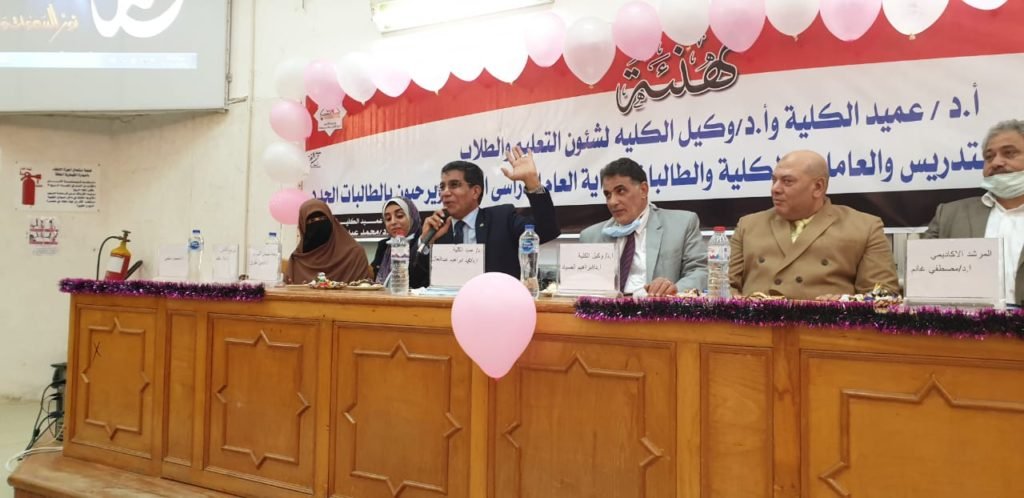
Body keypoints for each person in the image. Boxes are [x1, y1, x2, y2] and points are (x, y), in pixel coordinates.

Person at [729, 150, 899, 300]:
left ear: (818, 187)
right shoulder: (748, 225)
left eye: (787, 181)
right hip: (752, 323)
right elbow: (722, 284)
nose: (775, 189)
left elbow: (883, 294)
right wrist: (734, 305)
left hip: (827, 325)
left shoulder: (864, 227)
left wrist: (846, 303)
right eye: (774, 180)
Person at [922, 119, 1024, 306]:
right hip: (965, 322)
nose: (996, 162)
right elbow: (920, 281)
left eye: (1009, 153)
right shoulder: (949, 215)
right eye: (989, 157)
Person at [422, 146, 561, 278]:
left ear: (475, 192)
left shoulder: (502, 218)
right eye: (442, 187)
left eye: (454, 185)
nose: (445, 193)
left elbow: (547, 230)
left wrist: (533, 184)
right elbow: (417, 281)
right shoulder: (437, 229)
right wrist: (426, 242)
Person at [579, 157, 707, 297]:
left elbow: (701, 271)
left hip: (658, 308)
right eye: (608, 195)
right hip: (606, 309)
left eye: (620, 191)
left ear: (643, 190)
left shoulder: (682, 224)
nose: (612, 202)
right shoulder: (591, 237)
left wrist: (672, 290)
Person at [286, 198, 371, 284]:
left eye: (322, 218)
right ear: (303, 227)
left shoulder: (354, 254)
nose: (318, 225)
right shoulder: (297, 260)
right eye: (311, 221)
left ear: (331, 221)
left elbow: (362, 288)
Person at [371, 196, 430, 289]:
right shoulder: (384, 246)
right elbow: (374, 280)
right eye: (388, 219)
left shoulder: (424, 243)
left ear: (412, 217)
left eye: (399, 216)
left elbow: (420, 279)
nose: (393, 222)